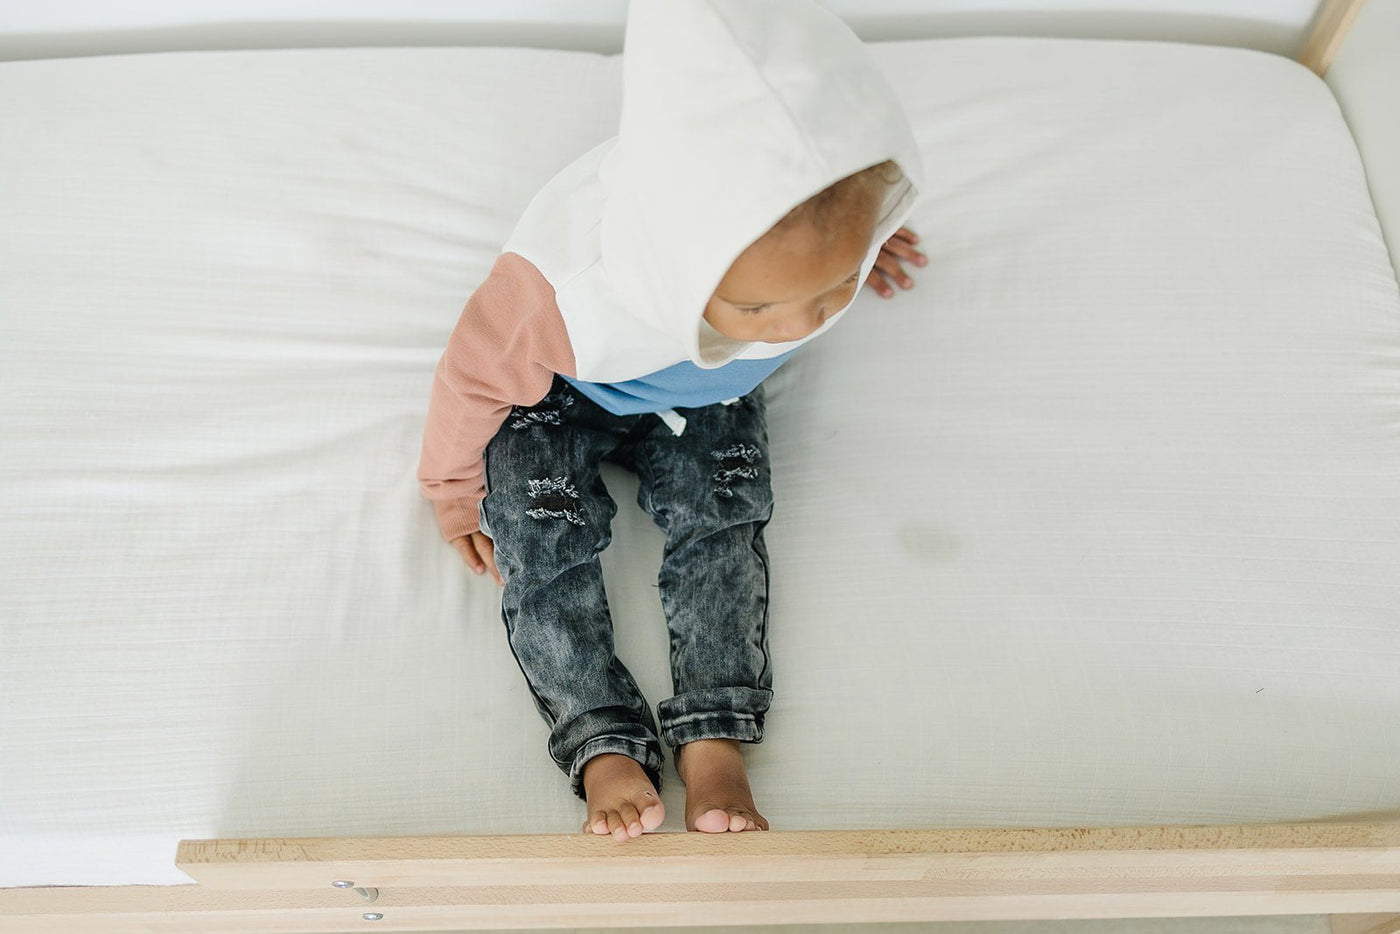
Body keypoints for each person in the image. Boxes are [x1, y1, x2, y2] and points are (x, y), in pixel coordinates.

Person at [417, 0, 926, 842]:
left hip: (705, 396)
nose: (800, 323)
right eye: (761, 304)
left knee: (723, 526)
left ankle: (715, 736)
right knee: (542, 541)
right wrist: (450, 488)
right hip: (563, 393)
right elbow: (471, 378)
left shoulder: (841, 215)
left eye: (827, 291)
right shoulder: (560, 285)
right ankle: (599, 739)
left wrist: (860, 247)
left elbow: (847, 194)